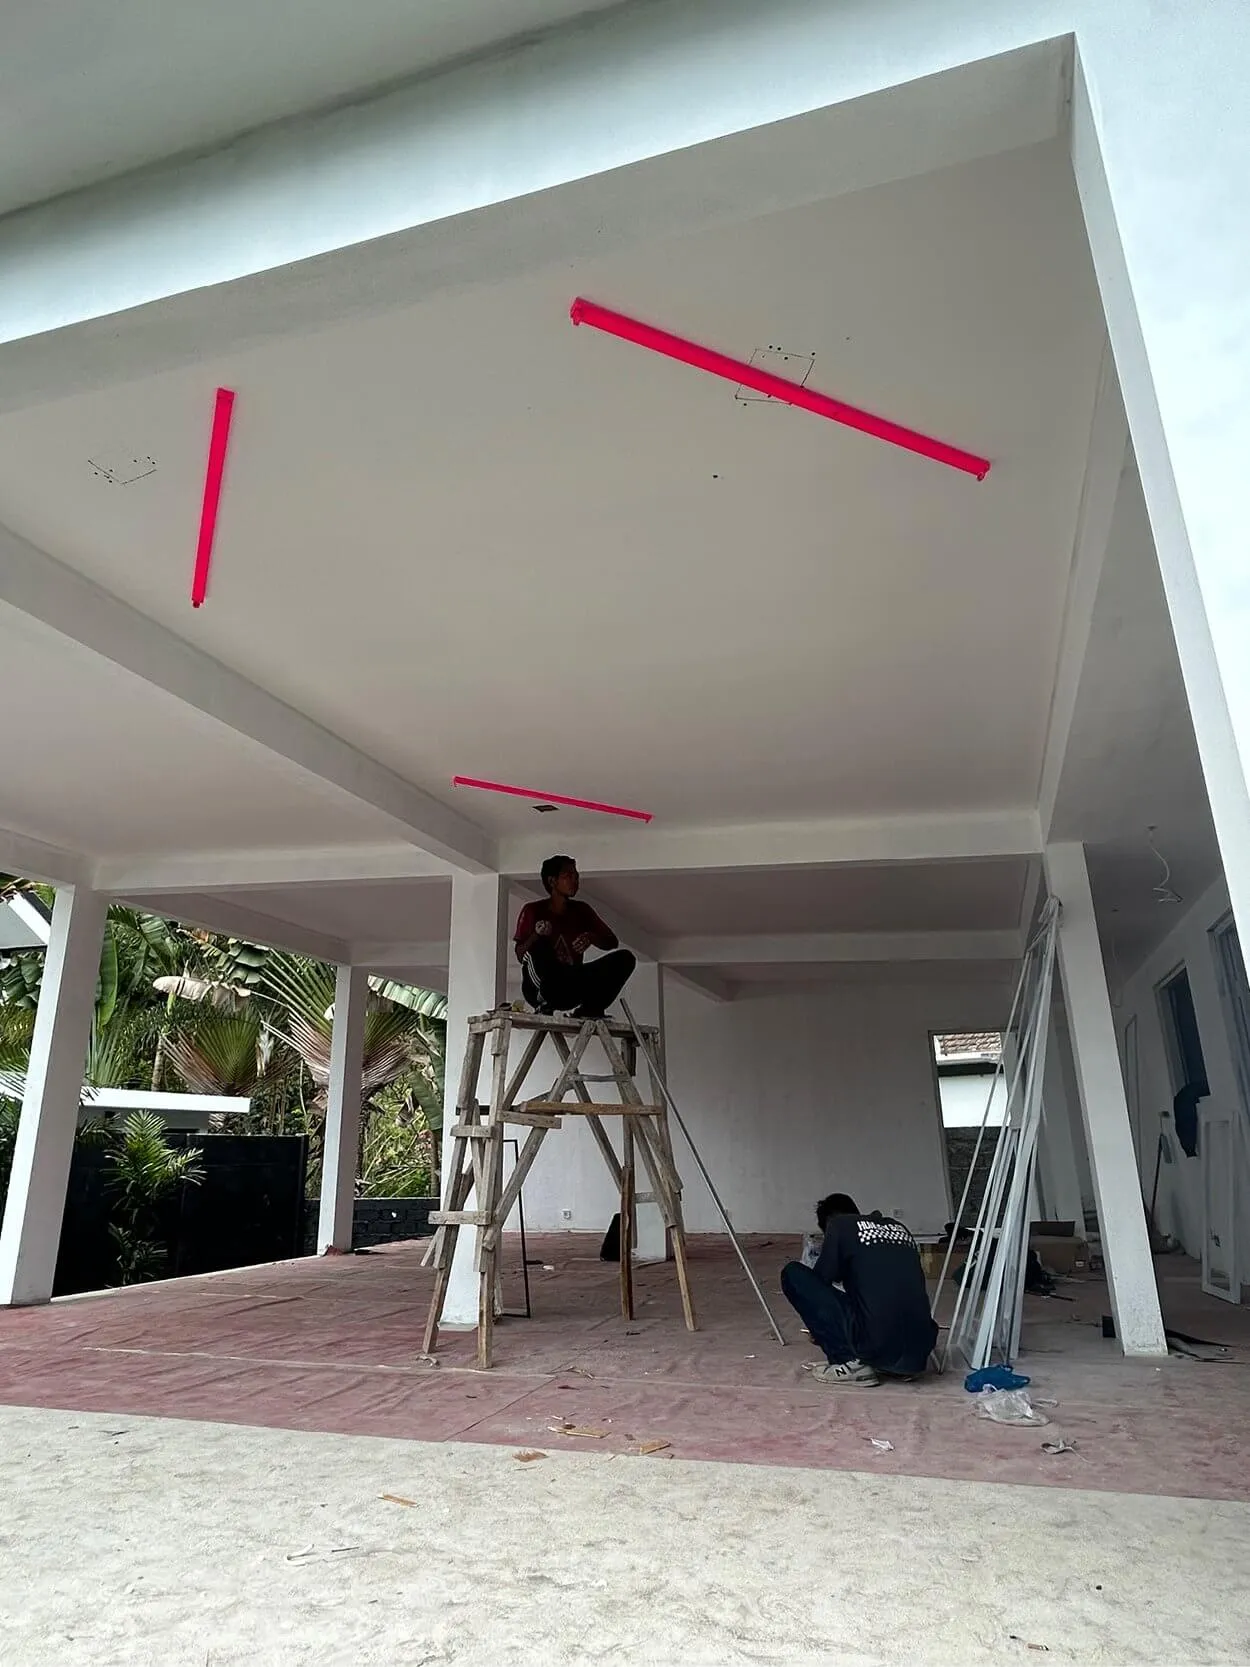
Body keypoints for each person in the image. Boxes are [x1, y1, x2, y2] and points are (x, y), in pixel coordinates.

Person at [780, 1192, 937, 1388]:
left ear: (828, 1224)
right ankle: (891, 1364)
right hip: (920, 1351)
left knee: (794, 1274)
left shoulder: (839, 1226)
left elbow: (819, 1283)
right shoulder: (899, 1228)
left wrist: (821, 1328)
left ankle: (850, 1363)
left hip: (878, 1344)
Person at [514, 855, 636, 1018]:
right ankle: (544, 1003)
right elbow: (520, 954)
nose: (575, 881)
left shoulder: (581, 910)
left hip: (572, 982)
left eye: (576, 876)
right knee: (540, 945)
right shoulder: (533, 910)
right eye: (568, 876)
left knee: (625, 958)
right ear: (552, 881)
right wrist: (536, 935)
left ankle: (590, 1009)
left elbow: (611, 942)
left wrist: (591, 938)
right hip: (545, 988)